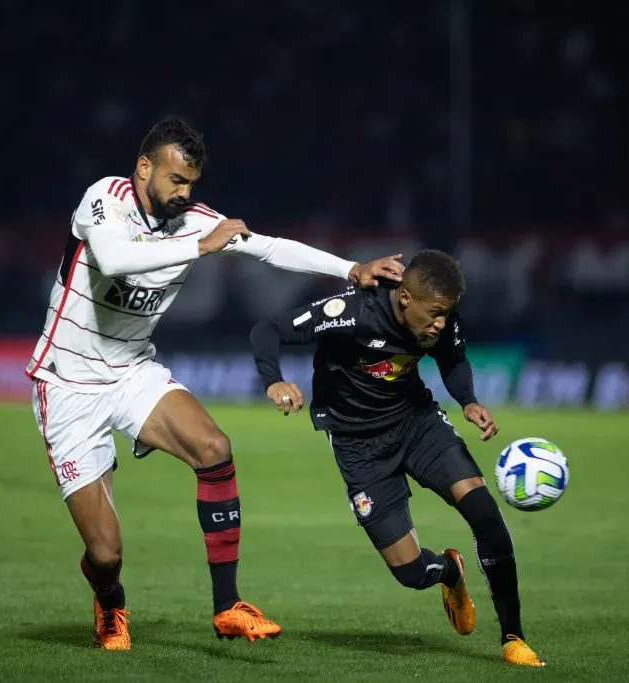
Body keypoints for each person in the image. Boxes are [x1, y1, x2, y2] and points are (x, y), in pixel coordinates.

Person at [26, 116, 404, 650]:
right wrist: (203, 248)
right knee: (106, 552)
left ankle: (228, 606)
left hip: (133, 371)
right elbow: (114, 258)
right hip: (66, 383)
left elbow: (269, 248)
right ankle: (110, 602)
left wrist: (351, 270)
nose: (184, 193)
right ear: (143, 167)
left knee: (214, 448)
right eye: (176, 180)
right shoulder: (103, 200)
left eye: (191, 184)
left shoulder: (197, 220)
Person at [249, 249, 545, 667]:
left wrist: (468, 401)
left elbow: (453, 357)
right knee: (411, 573)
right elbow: (267, 330)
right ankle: (449, 572)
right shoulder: (351, 312)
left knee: (484, 512)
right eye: (436, 313)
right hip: (358, 445)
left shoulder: (439, 316)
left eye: (447, 314)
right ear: (405, 298)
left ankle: (513, 638)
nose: (441, 323)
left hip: (417, 424)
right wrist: (274, 381)